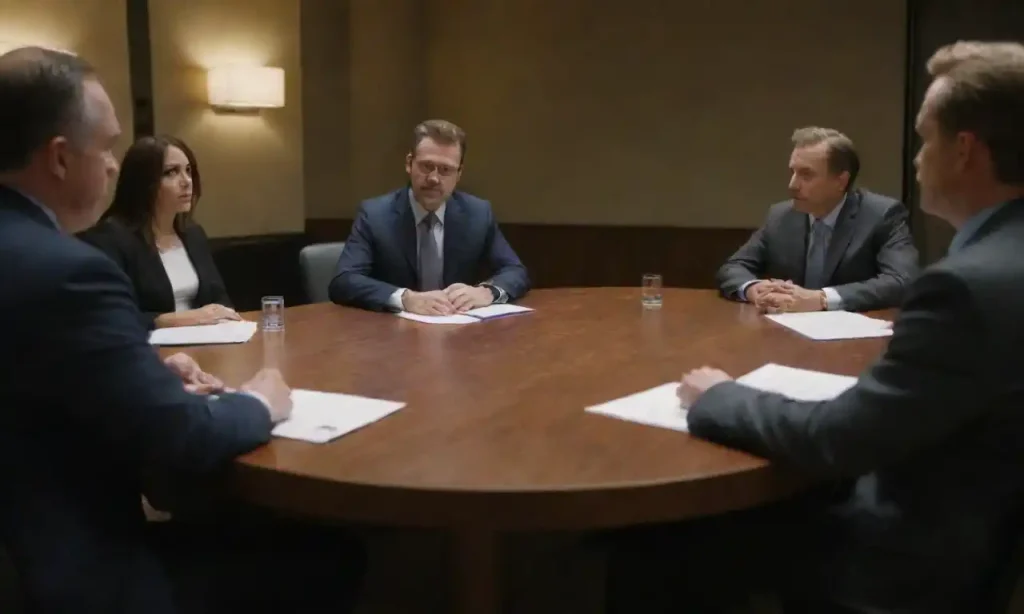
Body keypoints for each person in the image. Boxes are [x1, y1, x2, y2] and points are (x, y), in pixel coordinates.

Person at [606, 41, 1024, 614]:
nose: (917, 159)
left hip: (912, 559)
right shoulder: (1006, 259)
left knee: (655, 536)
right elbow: (737, 268)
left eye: (925, 139)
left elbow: (840, 438)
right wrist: (757, 288)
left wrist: (720, 396)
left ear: (965, 151)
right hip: (972, 524)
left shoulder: (965, 286)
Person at [0, 47, 363, 613]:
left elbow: (41, 380)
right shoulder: (68, 269)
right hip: (76, 573)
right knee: (333, 556)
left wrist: (139, 372)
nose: (115, 164)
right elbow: (180, 441)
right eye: (108, 146)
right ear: (61, 159)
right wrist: (260, 404)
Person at [328, 119, 530, 314]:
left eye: (445, 170)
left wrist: (487, 292)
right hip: (390, 336)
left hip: (458, 333)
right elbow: (345, 280)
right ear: (409, 163)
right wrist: (406, 298)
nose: (434, 178)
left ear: (459, 174)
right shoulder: (374, 215)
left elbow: (515, 271)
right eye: (426, 166)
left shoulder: (477, 214)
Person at [716, 127, 919, 313]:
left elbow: (901, 280)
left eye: (806, 175)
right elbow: (733, 267)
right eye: (792, 172)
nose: (792, 185)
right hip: (787, 334)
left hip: (852, 338)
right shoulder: (781, 216)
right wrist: (754, 288)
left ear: (841, 181)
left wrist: (821, 298)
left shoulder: (882, 214)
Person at [78, 135, 240, 329]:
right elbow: (107, 316)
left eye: (188, 171)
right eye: (171, 172)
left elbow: (219, 299)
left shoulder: (192, 233)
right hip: (147, 348)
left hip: (205, 344)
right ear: (143, 182)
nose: (186, 181)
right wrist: (177, 319)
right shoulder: (111, 238)